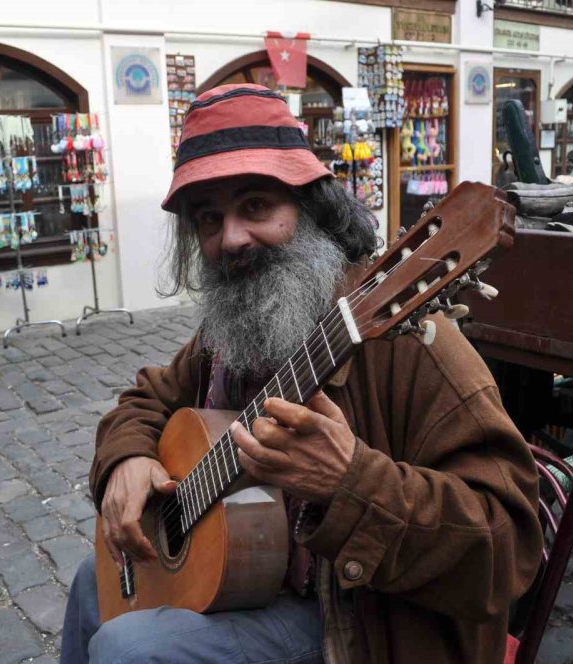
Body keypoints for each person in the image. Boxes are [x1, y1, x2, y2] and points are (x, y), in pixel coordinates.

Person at [61, 84, 542, 664]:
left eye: (257, 206)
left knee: (129, 649)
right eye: (210, 220)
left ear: (312, 210)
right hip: (256, 585)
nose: (231, 238)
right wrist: (126, 459)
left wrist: (350, 482)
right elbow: (145, 399)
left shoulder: (414, 345)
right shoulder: (232, 330)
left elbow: (509, 552)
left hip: (360, 626)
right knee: (94, 579)